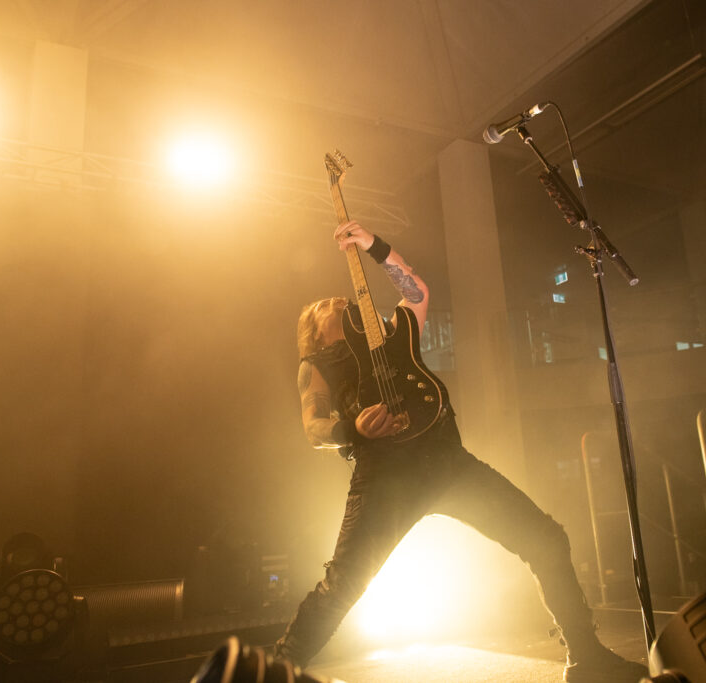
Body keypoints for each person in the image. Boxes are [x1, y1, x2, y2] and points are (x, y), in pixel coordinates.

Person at [275, 220, 647, 682]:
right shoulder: (317, 364)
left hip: (448, 462)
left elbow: (415, 293)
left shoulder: (396, 336)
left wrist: (375, 247)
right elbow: (314, 428)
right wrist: (352, 429)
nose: (341, 302)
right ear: (315, 332)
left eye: (344, 299)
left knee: (546, 538)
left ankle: (586, 657)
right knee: (343, 586)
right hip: (386, 476)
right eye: (328, 306)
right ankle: (273, 674)